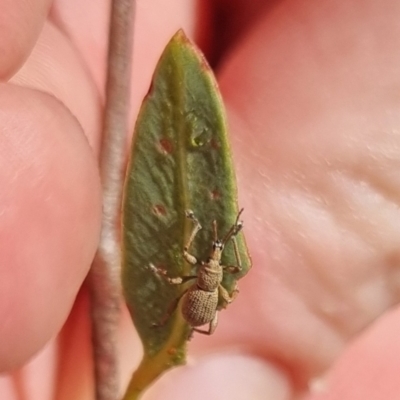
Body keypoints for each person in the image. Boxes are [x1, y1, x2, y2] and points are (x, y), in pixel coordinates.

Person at [1, 0, 400, 399]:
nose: (212, 261)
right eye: (213, 262)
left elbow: (193, 275)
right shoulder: (206, 281)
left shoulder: (201, 282)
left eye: (213, 262)